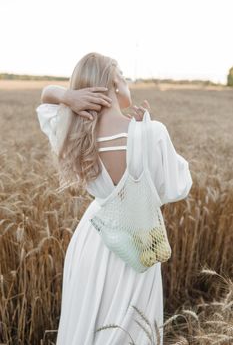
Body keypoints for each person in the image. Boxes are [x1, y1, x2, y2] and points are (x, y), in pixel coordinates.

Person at [36, 52, 193, 345]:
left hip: (93, 239)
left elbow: (45, 100)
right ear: (116, 83)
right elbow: (177, 186)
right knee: (132, 331)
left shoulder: (72, 132)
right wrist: (147, 128)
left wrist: (68, 97)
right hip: (137, 244)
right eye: (123, 75)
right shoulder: (152, 132)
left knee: (86, 323)